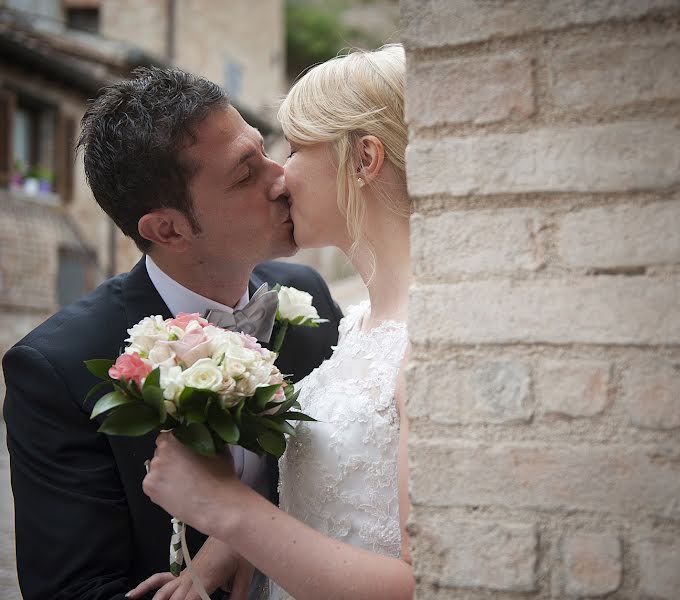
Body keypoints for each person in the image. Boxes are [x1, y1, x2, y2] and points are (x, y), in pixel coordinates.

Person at [2, 67, 342, 600]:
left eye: (265, 152)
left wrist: (239, 538)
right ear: (169, 229)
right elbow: (73, 589)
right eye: (245, 174)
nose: (281, 179)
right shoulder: (57, 367)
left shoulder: (307, 295)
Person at [138, 44, 413, 600]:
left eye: (292, 151)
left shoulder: (430, 340)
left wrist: (228, 510)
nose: (280, 180)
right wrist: (229, 549)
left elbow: (428, 583)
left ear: (364, 159)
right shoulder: (358, 323)